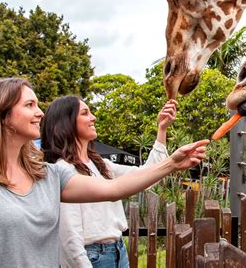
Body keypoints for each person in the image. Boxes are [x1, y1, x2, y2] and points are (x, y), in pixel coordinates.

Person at [0, 78, 208, 267]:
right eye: (29, 105)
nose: (40, 113)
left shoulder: (47, 175)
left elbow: (115, 189)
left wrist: (171, 163)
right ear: (2, 115)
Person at [41, 95, 177, 267]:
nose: (93, 117)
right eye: (85, 113)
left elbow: (146, 176)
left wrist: (162, 130)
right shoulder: (63, 171)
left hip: (119, 252)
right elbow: (70, 239)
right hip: (93, 257)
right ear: (66, 123)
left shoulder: (100, 165)